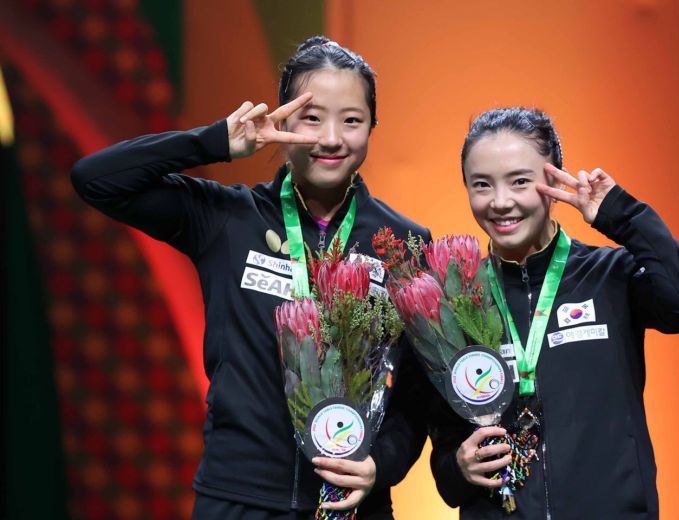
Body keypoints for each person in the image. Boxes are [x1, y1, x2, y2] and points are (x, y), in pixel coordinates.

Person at [71, 36, 430, 519]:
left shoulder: (402, 242)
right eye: (311, 116)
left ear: (372, 126)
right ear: (281, 120)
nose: (330, 138)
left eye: (351, 120)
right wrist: (214, 142)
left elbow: (415, 393)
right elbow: (96, 178)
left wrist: (379, 466)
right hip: (239, 499)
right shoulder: (229, 218)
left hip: (353, 505)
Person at [428, 107, 679, 519]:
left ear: (554, 181)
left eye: (520, 181)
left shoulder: (610, 275)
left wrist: (620, 215)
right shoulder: (457, 301)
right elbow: (445, 457)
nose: (500, 201)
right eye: (481, 184)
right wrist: (458, 468)